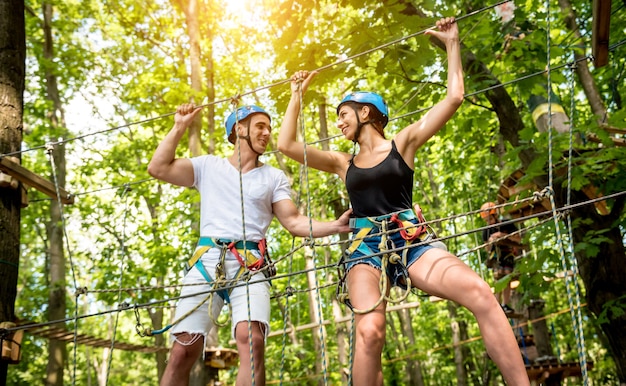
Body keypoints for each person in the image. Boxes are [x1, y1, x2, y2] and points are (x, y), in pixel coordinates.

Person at [278, 17, 530, 386]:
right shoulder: (341, 162)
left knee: (479, 293)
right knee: (370, 332)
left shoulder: (404, 143)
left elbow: (454, 98)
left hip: (411, 240)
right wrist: (296, 95)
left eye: (344, 114)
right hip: (365, 249)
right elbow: (286, 146)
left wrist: (452, 44)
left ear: (366, 112)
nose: (340, 123)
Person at [148, 103, 352, 386]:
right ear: (239, 129)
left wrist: (334, 226)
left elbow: (292, 221)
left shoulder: (273, 177)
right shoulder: (207, 166)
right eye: (260, 126)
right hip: (207, 261)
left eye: (269, 127)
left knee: (252, 341)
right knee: (183, 349)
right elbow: (158, 168)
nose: (267, 133)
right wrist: (179, 126)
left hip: (250, 264)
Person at [480, 201, 523, 314]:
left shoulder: (507, 224)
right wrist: (490, 242)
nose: (489, 222)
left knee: (507, 278)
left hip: (508, 254)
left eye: (490, 219)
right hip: (496, 257)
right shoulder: (486, 231)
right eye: (486, 220)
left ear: (495, 215)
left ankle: (505, 304)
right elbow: (487, 249)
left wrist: (501, 235)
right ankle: (496, 305)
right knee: (498, 277)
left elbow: (518, 238)